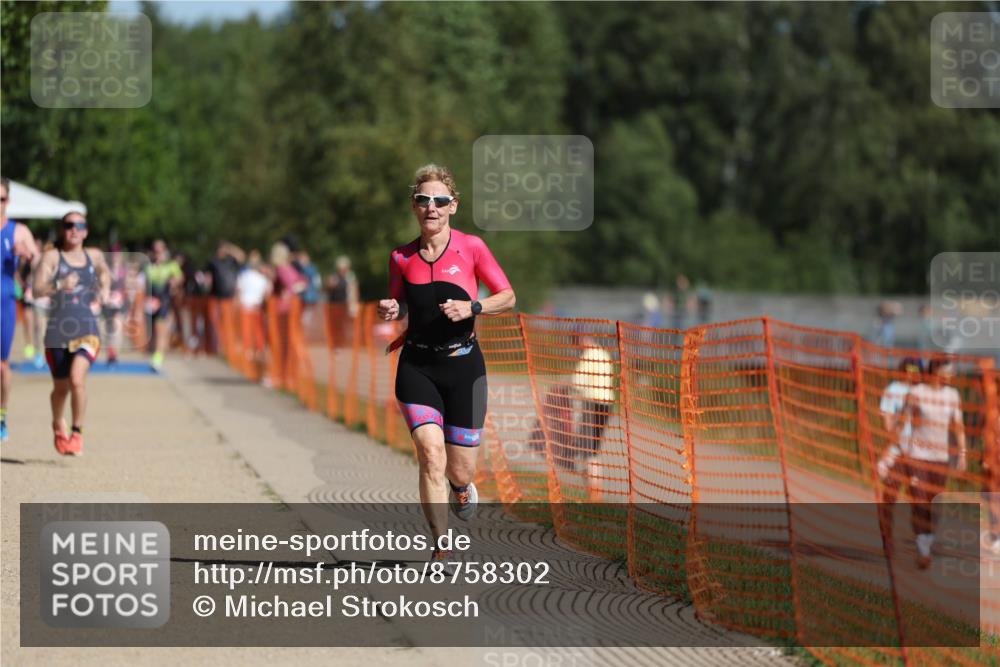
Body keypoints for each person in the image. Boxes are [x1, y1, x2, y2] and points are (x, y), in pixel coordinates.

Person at [378, 164, 515, 563]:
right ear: (414, 206)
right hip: (417, 366)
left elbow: (507, 296)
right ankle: (441, 546)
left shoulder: (472, 248)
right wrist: (392, 306)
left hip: (464, 369)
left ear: (453, 206)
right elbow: (401, 301)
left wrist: (472, 306)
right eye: (423, 200)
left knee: (460, 470)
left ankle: (460, 489)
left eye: (440, 200)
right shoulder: (400, 257)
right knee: (430, 455)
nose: (431, 207)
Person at [32, 212, 111, 455]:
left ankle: (77, 433)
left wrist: (105, 288)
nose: (74, 230)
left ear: (86, 231)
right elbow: (36, 290)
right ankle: (58, 424)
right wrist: (58, 285)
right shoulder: (52, 257)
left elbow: (104, 271)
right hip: (57, 333)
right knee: (61, 389)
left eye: (79, 226)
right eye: (69, 225)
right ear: (62, 230)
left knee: (77, 379)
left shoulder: (94, 255)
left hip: (87, 330)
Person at [880, 357, 967, 569]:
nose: (952, 374)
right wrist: (888, 454)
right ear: (936, 371)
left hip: (941, 459)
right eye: (948, 370)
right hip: (916, 455)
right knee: (918, 501)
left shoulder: (952, 396)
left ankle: (926, 539)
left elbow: (958, 426)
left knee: (933, 504)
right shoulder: (917, 394)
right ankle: (921, 547)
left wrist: (963, 454)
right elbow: (900, 423)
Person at [1, 177, 38, 443]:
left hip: (4, 301)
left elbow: (40, 264)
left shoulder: (19, 231)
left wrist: (28, 256)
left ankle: (1, 415)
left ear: (8, 201)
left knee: (2, 367)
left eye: (1, 199)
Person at [572, 334, 615, 499]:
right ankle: (595, 490)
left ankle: (594, 491)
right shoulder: (604, 354)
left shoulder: (588, 356)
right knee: (593, 448)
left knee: (588, 449)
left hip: (592, 404)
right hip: (607, 404)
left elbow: (577, 382)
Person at [144, 239, 183, 371]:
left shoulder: (171, 265)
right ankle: (154, 354)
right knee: (152, 332)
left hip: (164, 301)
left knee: (160, 329)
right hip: (150, 301)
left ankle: (158, 358)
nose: (158, 253)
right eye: (156, 251)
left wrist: (174, 282)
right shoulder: (149, 266)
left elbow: (179, 277)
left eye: (160, 250)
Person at [236, 250, 271, 382]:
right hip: (255, 309)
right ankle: (254, 368)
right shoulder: (260, 278)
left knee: (250, 339)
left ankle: (251, 365)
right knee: (257, 339)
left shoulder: (244, 276)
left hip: (247, 309)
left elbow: (238, 293)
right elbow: (266, 294)